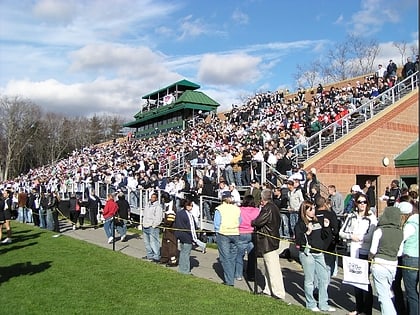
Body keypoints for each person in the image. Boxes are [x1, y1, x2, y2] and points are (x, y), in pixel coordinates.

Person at [339, 192, 377, 315]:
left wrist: (358, 237)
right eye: (360, 202)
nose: (362, 204)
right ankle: (359, 308)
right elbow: (342, 232)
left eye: (364, 202)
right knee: (355, 279)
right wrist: (351, 236)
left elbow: (370, 235)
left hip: (364, 252)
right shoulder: (351, 216)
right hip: (352, 251)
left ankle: (367, 310)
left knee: (365, 281)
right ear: (356, 203)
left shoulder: (371, 217)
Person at [295, 200, 336, 312]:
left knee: (323, 278)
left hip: (319, 253)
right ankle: (311, 303)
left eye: (314, 209)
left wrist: (326, 227)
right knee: (310, 280)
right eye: (311, 209)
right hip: (307, 254)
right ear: (305, 211)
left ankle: (323, 304)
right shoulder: (300, 224)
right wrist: (307, 232)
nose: (314, 211)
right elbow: (298, 241)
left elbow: (323, 236)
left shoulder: (317, 221)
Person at [251, 189, 286, 300]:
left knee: (273, 268)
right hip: (271, 239)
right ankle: (268, 289)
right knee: (268, 267)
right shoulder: (274, 207)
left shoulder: (268, 208)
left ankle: (278, 292)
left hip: (268, 241)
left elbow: (258, 221)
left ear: (262, 199)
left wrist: (253, 222)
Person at [369, 206, 404, 315]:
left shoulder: (379, 231)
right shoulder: (400, 232)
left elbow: (372, 250)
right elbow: (399, 252)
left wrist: (370, 258)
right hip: (393, 265)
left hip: (379, 264)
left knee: (383, 296)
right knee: (388, 292)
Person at [214, 191, 241, 286]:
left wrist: (217, 233)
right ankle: (231, 276)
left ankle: (229, 281)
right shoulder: (236, 209)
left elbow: (217, 223)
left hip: (223, 233)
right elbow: (239, 220)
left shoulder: (219, 209)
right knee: (232, 257)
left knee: (225, 257)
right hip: (235, 233)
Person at [398, 200, 419, 315]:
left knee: (411, 292)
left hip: (410, 258)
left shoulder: (410, 225)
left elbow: (400, 241)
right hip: (417, 256)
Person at [235, 194, 260, 281]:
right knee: (252, 255)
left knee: (239, 255)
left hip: (241, 232)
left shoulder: (239, 210)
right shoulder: (257, 210)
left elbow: (237, 221)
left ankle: (238, 274)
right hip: (252, 233)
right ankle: (251, 275)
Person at [174, 199, 194, 274]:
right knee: (186, 253)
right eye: (191, 205)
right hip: (187, 236)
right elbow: (191, 226)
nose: (191, 207)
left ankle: (181, 268)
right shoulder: (187, 214)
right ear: (187, 206)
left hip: (180, 235)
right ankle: (185, 270)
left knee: (183, 252)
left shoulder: (179, 213)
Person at [142, 192, 163, 262]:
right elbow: (144, 214)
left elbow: (159, 218)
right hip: (145, 225)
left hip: (152, 226)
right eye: (151, 197)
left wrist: (154, 225)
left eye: (153, 197)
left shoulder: (158, 206)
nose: (152, 198)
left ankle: (156, 256)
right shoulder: (147, 204)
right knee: (146, 242)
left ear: (156, 198)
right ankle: (149, 255)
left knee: (153, 242)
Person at [160, 192, 178, 266]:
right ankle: (165, 258)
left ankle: (173, 261)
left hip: (170, 229)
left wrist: (165, 225)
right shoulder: (167, 205)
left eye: (163, 198)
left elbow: (170, 219)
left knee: (171, 245)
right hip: (166, 228)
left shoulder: (171, 206)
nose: (162, 200)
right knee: (165, 243)